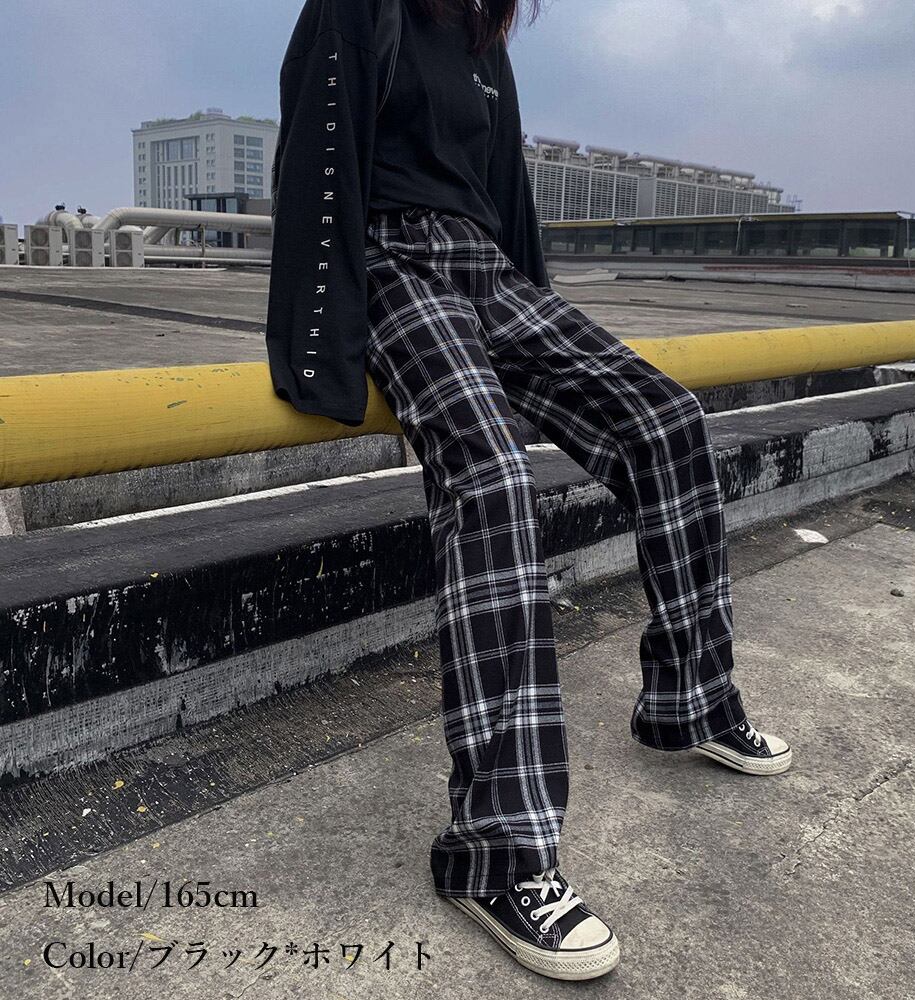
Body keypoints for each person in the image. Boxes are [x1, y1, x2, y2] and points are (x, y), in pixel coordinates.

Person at [265, 0, 791, 983]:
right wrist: (314, 337)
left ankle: (694, 699)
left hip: (490, 273)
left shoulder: (480, 36)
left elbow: (504, 189)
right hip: (393, 263)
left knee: (667, 420)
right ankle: (497, 856)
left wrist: (534, 312)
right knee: (495, 478)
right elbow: (314, 149)